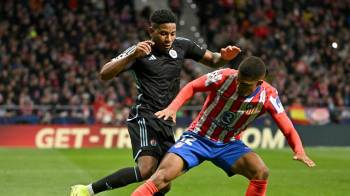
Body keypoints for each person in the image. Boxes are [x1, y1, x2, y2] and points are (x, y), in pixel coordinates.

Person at [70, 9, 241, 196]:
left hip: (166, 118)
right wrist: (131, 56)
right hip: (145, 115)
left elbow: (213, 60)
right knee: (147, 169)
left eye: (172, 33)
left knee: (164, 182)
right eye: (163, 33)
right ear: (151, 31)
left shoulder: (182, 46)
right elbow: (104, 73)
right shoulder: (140, 50)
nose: (169, 38)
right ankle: (86, 191)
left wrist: (224, 57)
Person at [132, 56, 316, 196]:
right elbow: (192, 86)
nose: (238, 85)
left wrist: (299, 150)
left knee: (261, 172)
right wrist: (173, 107)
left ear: (259, 83)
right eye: (238, 80)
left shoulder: (269, 96)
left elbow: (287, 127)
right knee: (162, 177)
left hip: (229, 145)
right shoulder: (225, 76)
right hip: (197, 138)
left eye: (244, 84)